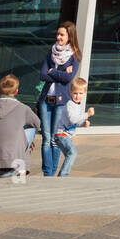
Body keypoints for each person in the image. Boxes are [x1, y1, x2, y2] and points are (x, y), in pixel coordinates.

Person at [38, 21, 82, 177]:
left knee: (55, 139)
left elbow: (68, 78)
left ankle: (54, 170)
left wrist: (53, 72)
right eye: (57, 34)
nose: (58, 37)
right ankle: (47, 173)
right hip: (45, 100)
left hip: (61, 101)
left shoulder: (75, 56)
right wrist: (58, 73)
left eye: (62, 34)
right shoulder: (51, 53)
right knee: (46, 138)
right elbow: (42, 75)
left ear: (70, 36)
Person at [54, 77, 95, 178]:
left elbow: (74, 122)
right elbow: (73, 119)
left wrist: (83, 124)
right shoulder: (70, 104)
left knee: (70, 154)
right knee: (72, 153)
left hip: (66, 135)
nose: (77, 96)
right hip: (62, 134)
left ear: (84, 93)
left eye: (80, 93)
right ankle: (63, 176)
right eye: (75, 93)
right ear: (70, 92)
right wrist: (87, 114)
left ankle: (62, 175)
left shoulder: (77, 105)